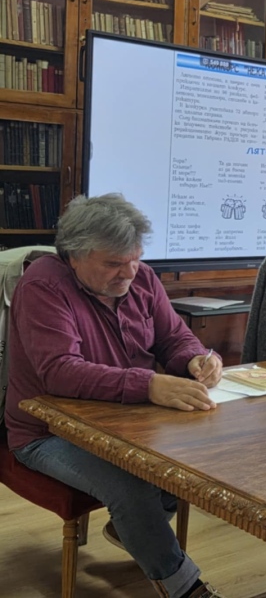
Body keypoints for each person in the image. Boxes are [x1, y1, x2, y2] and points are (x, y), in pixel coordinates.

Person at [5, 194, 226, 598]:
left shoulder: (141, 277)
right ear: (74, 255)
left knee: (192, 462)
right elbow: (60, 371)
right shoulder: (43, 284)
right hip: (46, 433)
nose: (129, 272)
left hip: (127, 422)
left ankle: (133, 530)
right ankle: (186, 588)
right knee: (131, 486)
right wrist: (149, 385)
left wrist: (196, 359)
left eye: (135, 259)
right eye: (112, 264)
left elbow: (174, 337)